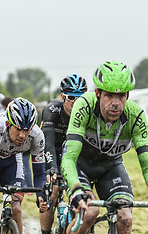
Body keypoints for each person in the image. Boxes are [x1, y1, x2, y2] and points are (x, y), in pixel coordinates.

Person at [61, 61, 148, 234]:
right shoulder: (84, 106)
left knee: (125, 218)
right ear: (97, 93)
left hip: (110, 167)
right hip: (80, 164)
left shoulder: (136, 116)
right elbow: (69, 157)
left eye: (121, 97)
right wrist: (75, 189)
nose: (116, 103)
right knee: (89, 212)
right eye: (109, 96)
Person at [0, 98, 47, 234]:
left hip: (12, 159)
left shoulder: (37, 135)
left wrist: (41, 195)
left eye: (26, 130)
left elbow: (39, 174)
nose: (22, 135)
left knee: (16, 208)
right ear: (8, 124)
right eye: (18, 129)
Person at [39, 74, 88, 234]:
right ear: (62, 97)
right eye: (71, 98)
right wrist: (52, 169)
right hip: (53, 151)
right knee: (52, 192)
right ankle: (45, 232)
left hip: (75, 155)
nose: (76, 103)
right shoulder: (52, 110)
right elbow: (48, 143)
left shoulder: (89, 113)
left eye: (80, 98)